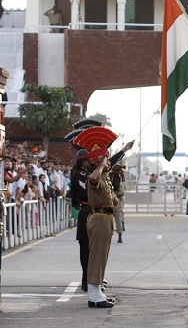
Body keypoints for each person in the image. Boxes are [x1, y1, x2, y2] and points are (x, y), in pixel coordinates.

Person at [72, 126, 120, 308]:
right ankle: (93, 293)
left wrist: (114, 176)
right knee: (96, 255)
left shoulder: (105, 177)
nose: (108, 163)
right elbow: (92, 179)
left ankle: (97, 290)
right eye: (106, 160)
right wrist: (100, 165)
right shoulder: (95, 176)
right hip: (99, 218)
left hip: (106, 217)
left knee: (102, 255)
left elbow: (114, 201)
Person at [70, 149, 91, 291]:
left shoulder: (88, 173)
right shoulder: (78, 174)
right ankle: (86, 279)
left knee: (92, 249)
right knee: (85, 248)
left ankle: (91, 278)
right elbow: (83, 193)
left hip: (91, 213)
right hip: (85, 213)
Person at [110, 164, 126, 243]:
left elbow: (122, 192)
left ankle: (120, 235)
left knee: (118, 219)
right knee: (110, 219)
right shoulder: (111, 176)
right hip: (111, 202)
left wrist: (113, 195)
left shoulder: (119, 177)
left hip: (118, 201)